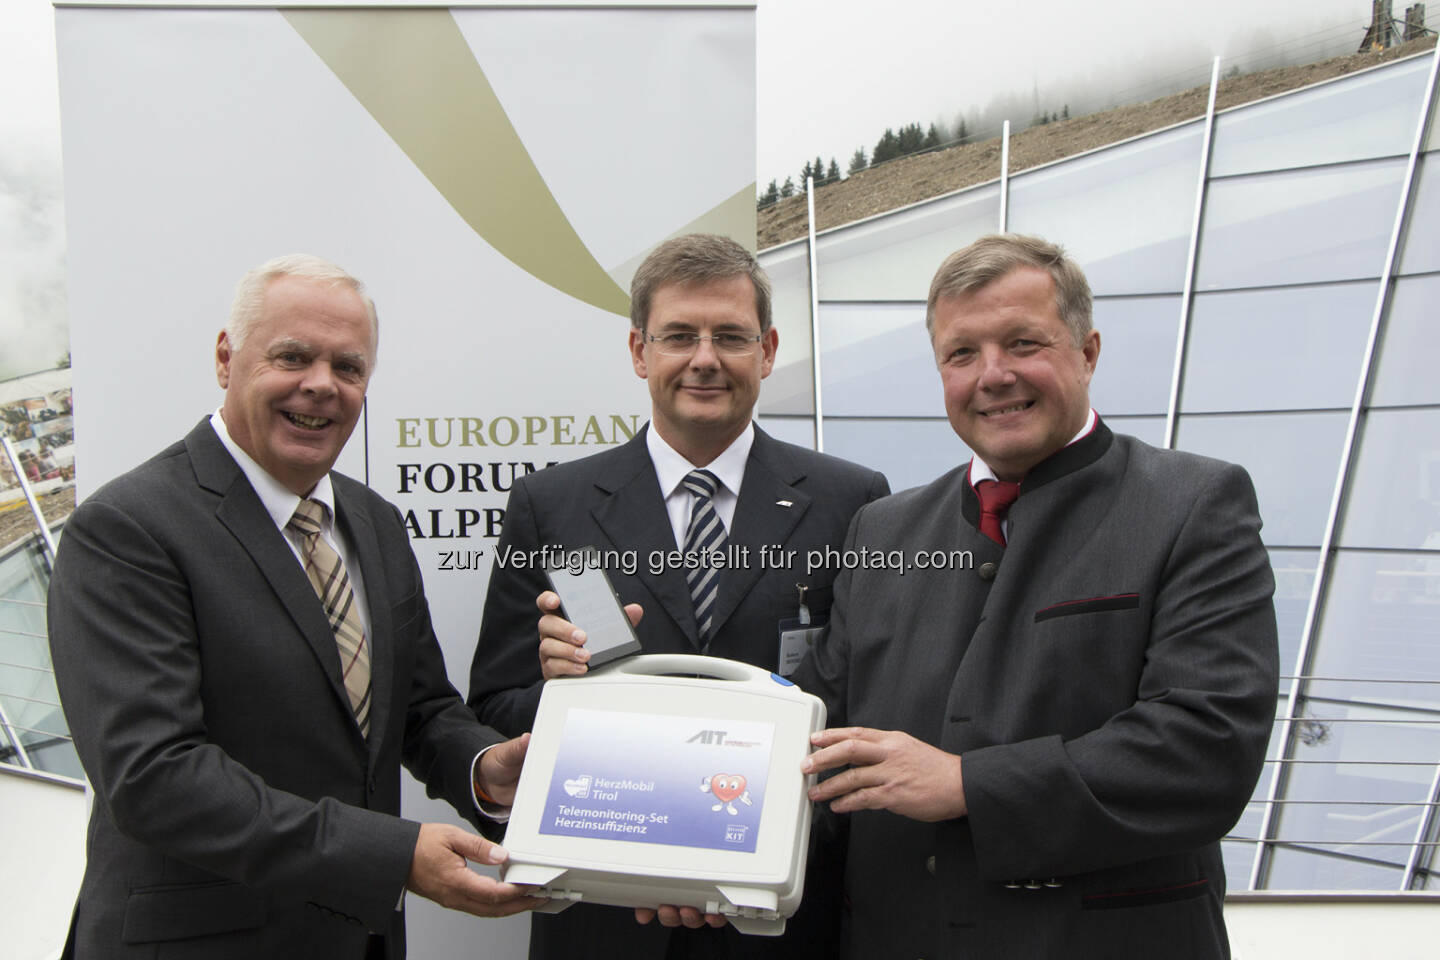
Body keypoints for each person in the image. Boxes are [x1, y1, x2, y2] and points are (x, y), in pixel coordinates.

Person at [793, 234, 1279, 959]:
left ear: (1088, 352)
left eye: (1023, 343)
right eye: (962, 354)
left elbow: (1208, 747)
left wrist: (967, 785)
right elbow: (816, 732)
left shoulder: (1194, 504)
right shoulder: (881, 527)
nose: (993, 375)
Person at [48, 255, 544, 960]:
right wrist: (394, 856)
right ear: (227, 358)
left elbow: (421, 709)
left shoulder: (374, 523)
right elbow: (154, 776)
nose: (321, 385)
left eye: (348, 367)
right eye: (292, 357)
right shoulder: (128, 530)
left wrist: (483, 767)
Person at [470, 233, 889, 959]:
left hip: (777, 917)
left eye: (731, 336)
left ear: (767, 349)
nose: (705, 358)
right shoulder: (552, 506)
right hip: (604, 918)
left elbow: (867, 708)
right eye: (678, 336)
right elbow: (494, 705)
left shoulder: (852, 502)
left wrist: (758, 846)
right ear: (640, 351)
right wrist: (557, 690)